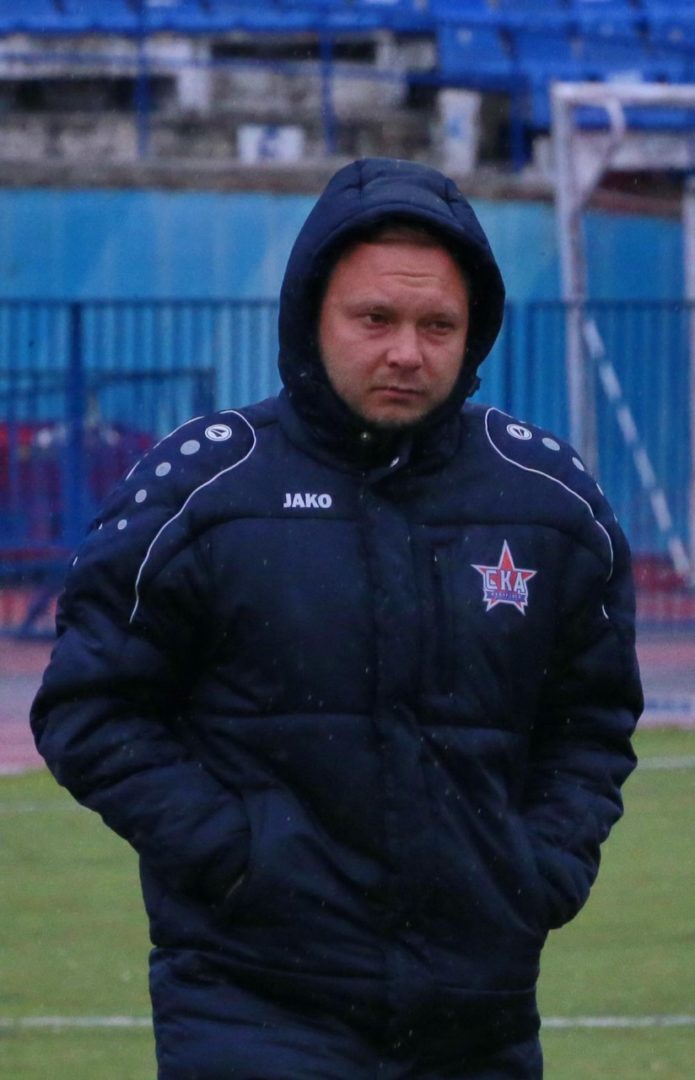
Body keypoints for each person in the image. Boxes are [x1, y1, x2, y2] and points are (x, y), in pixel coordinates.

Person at [31, 157, 642, 1079]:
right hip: (249, 1002)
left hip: (476, 1015)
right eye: (375, 319)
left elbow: (591, 718)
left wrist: (537, 868)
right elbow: (90, 706)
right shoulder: (204, 490)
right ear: (310, 316)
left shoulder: (548, 501)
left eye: (436, 325)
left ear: (473, 332)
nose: (406, 352)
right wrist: (235, 856)